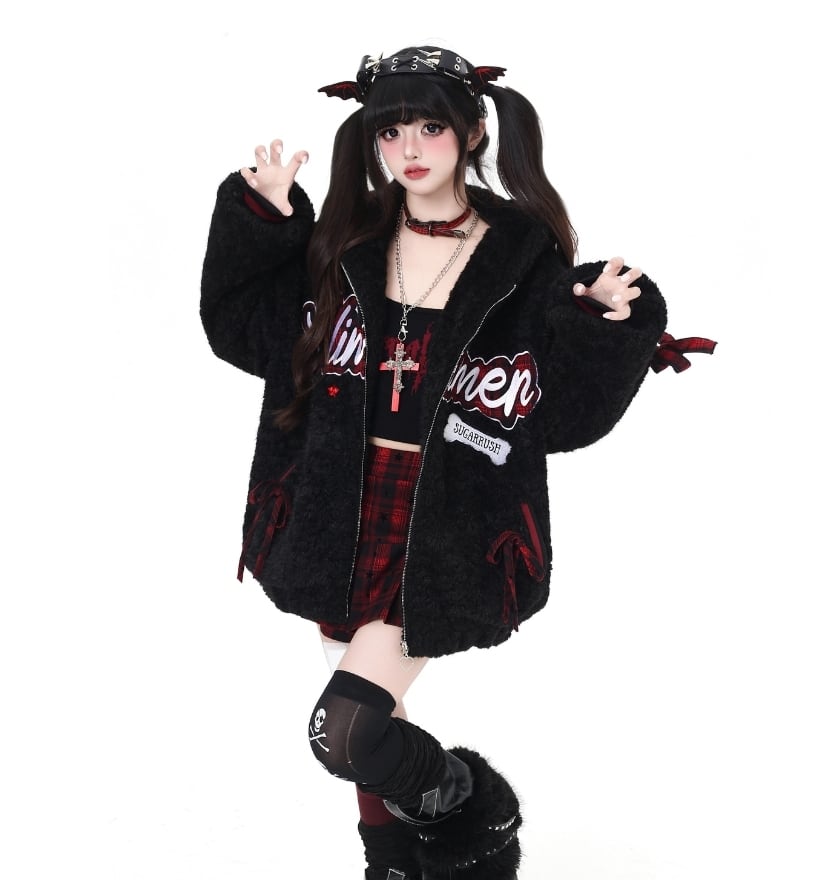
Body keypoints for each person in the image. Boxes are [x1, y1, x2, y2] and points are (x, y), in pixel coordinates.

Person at [200, 45, 714, 880]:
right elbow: (246, 330)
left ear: (472, 133)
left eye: (430, 128)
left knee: (344, 731)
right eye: (390, 131)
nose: (409, 149)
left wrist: (600, 323)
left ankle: (477, 808)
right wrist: (265, 220)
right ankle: (395, 865)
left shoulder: (520, 257)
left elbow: (562, 416)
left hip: (442, 519)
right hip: (339, 503)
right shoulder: (349, 238)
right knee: (379, 721)